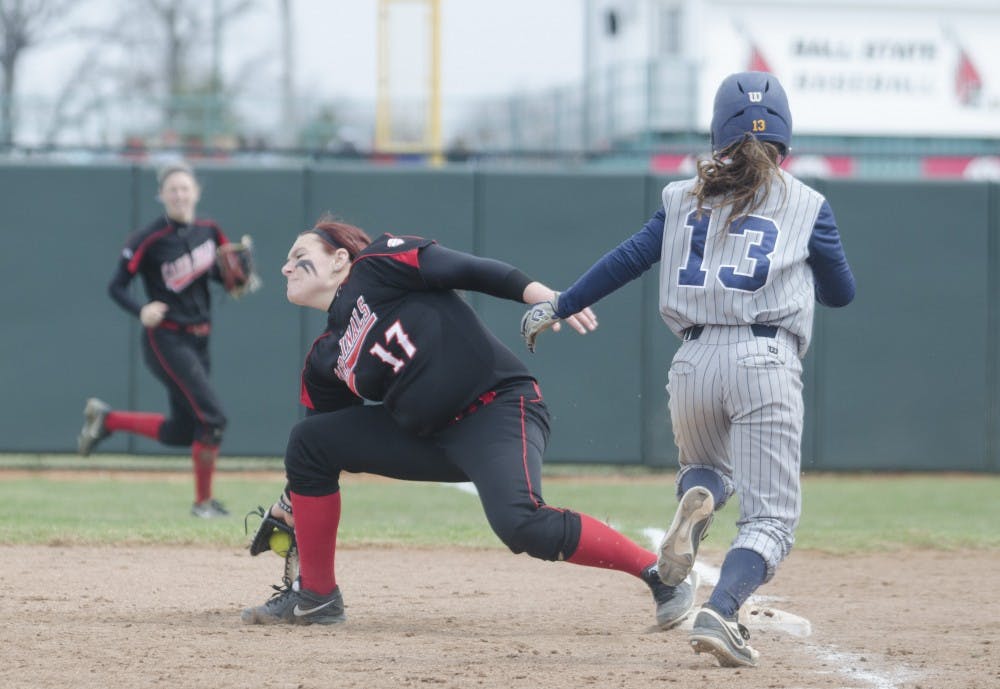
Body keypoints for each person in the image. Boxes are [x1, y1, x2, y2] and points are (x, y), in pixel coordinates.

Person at [521, 71, 855, 668]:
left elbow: (627, 260)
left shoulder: (682, 198)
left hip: (693, 359)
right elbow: (841, 293)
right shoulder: (809, 204)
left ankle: (697, 496)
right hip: (764, 357)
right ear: (786, 140)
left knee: (706, 467)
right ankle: (722, 612)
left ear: (716, 135)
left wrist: (560, 304)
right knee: (771, 520)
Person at [240, 215, 701, 629]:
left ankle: (660, 574)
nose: (286, 267)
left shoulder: (376, 265)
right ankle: (317, 597)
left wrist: (547, 298)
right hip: (429, 437)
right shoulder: (325, 356)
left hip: (497, 408)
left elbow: (469, 270)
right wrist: (290, 501)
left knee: (520, 523)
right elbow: (319, 453)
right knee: (309, 441)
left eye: (299, 256)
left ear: (340, 258)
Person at [78, 161, 248, 518]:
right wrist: (140, 310)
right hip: (166, 339)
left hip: (201, 339)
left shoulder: (209, 231)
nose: (180, 194)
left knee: (183, 430)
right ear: (162, 195)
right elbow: (116, 286)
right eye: (173, 189)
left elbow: (224, 277)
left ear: (196, 192)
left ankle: (107, 421)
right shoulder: (149, 239)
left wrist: (238, 275)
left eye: (185, 188)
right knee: (214, 419)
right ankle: (202, 504)